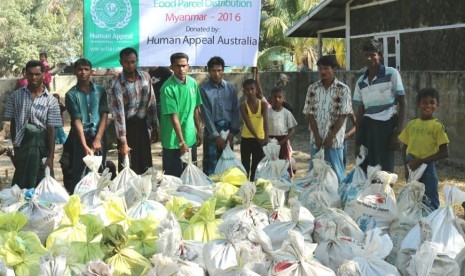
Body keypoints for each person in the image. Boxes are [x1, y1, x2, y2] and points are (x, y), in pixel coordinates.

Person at [3, 60, 62, 188]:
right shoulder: (16, 96)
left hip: (42, 147)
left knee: (43, 184)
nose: (33, 77)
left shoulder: (51, 100)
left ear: (44, 74)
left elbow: (51, 128)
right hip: (22, 145)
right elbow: (13, 123)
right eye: (30, 74)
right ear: (25, 74)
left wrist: (51, 156)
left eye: (37, 74)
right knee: (22, 185)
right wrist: (16, 146)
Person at [353, 39, 407, 173]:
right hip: (367, 128)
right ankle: (370, 194)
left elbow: (403, 103)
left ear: (380, 55)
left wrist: (397, 133)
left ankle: (385, 194)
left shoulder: (391, 73)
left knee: (385, 168)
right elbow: (361, 110)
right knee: (367, 166)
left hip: (385, 127)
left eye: (373, 54)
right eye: (366, 55)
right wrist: (357, 139)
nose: (369, 58)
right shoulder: (361, 81)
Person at [302, 55, 352, 183]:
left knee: (336, 174)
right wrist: (317, 137)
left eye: (326, 68)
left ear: (333, 69)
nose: (322, 72)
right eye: (320, 69)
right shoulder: (312, 88)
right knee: (315, 174)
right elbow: (309, 114)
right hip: (316, 141)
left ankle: (339, 200)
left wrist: (331, 137)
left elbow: (342, 116)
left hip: (334, 142)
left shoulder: (343, 89)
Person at [62, 58, 109, 193]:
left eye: (86, 69)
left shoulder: (100, 91)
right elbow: (76, 120)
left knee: (100, 170)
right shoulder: (71, 94)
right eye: (80, 69)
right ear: (75, 72)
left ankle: (100, 202)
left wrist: (98, 139)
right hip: (80, 138)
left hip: (98, 136)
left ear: (91, 72)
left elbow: (104, 114)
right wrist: (84, 145)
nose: (83, 72)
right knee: (79, 173)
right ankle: (80, 204)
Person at [108, 47, 158, 174]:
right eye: (126, 62)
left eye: (132, 62)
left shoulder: (146, 78)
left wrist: (154, 127)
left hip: (142, 125)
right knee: (128, 166)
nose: (130, 65)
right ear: (121, 62)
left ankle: (145, 192)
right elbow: (119, 117)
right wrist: (123, 142)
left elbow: (151, 103)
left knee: (146, 165)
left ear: (137, 61)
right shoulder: (117, 85)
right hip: (127, 128)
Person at [398, 88, 449, 211]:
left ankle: (432, 219)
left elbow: (445, 152)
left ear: (437, 105)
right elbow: (404, 146)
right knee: (413, 195)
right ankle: (415, 221)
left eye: (432, 102)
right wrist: (406, 167)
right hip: (411, 164)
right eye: (424, 102)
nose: (428, 105)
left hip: (427, 166)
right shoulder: (412, 124)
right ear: (418, 104)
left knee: (430, 196)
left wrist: (421, 161)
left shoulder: (437, 126)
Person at [160, 52, 202, 177]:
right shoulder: (167, 88)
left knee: (191, 175)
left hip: (190, 137)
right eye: (178, 66)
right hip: (173, 141)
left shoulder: (193, 83)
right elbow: (174, 117)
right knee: (174, 179)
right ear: (171, 67)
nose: (181, 69)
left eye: (184, 65)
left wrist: (199, 130)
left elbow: (196, 108)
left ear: (188, 66)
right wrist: (181, 142)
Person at [200, 56, 240, 175]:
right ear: (209, 71)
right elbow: (205, 115)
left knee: (227, 163)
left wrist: (232, 132)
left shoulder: (230, 88)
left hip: (228, 131)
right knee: (211, 165)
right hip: (212, 132)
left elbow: (235, 111)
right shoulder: (204, 90)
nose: (216, 74)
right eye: (213, 70)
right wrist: (216, 136)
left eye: (219, 70)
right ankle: (211, 190)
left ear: (223, 70)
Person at [240, 78, 268, 181]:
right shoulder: (243, 106)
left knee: (257, 166)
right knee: (245, 165)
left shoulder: (263, 104)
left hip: (260, 139)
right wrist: (258, 137)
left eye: (252, 88)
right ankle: (245, 186)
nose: (250, 91)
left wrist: (266, 137)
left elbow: (265, 121)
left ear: (256, 90)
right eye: (247, 89)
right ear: (244, 92)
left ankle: (253, 186)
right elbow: (248, 123)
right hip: (247, 138)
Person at [267, 86, 298, 177]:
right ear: (270, 99)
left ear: (284, 99)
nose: (277, 99)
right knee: (271, 163)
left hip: (283, 141)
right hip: (270, 141)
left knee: (284, 162)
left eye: (279, 97)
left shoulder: (286, 113)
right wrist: (267, 140)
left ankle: (285, 180)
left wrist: (283, 141)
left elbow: (292, 130)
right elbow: (263, 128)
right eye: (274, 97)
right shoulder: (266, 112)